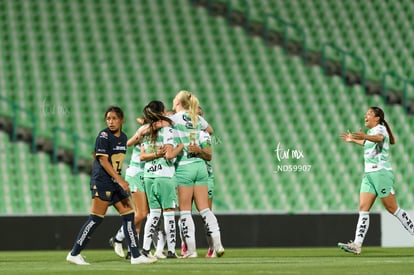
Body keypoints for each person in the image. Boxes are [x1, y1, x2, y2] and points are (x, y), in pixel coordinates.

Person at [66, 106, 157, 265]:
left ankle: (135, 256)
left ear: (122, 120)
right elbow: (103, 160)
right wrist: (121, 180)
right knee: (95, 219)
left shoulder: (123, 137)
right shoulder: (104, 136)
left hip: (114, 183)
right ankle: (74, 253)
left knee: (129, 216)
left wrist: (119, 180)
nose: (111, 121)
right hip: (102, 181)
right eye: (108, 118)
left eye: (114, 118)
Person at [338, 107, 414, 255]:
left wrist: (364, 136)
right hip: (369, 175)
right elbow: (367, 143)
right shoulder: (371, 133)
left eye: (369, 114)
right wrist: (353, 139)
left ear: (377, 118)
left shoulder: (381, 129)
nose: (365, 115)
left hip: (381, 173)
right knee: (363, 208)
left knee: (393, 209)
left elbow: (379, 139)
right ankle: (357, 244)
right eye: (366, 113)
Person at [170, 90, 224, 258]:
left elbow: (157, 127)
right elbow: (210, 130)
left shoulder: (174, 118)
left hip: (184, 166)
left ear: (178, 102)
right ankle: (218, 245)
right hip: (200, 167)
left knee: (185, 212)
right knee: (205, 210)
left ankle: (191, 251)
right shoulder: (197, 119)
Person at [140, 100, 184, 259]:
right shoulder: (167, 130)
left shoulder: (146, 131)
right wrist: (181, 146)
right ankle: (171, 251)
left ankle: (145, 250)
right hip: (164, 175)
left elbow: (142, 156)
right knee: (169, 213)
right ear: (162, 112)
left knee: (153, 214)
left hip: (149, 176)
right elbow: (169, 155)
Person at [109, 124, 149, 259]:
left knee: (142, 214)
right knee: (141, 214)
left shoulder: (159, 130)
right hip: (136, 173)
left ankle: (133, 250)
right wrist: (140, 134)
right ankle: (118, 238)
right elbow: (128, 143)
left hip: (145, 174)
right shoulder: (146, 129)